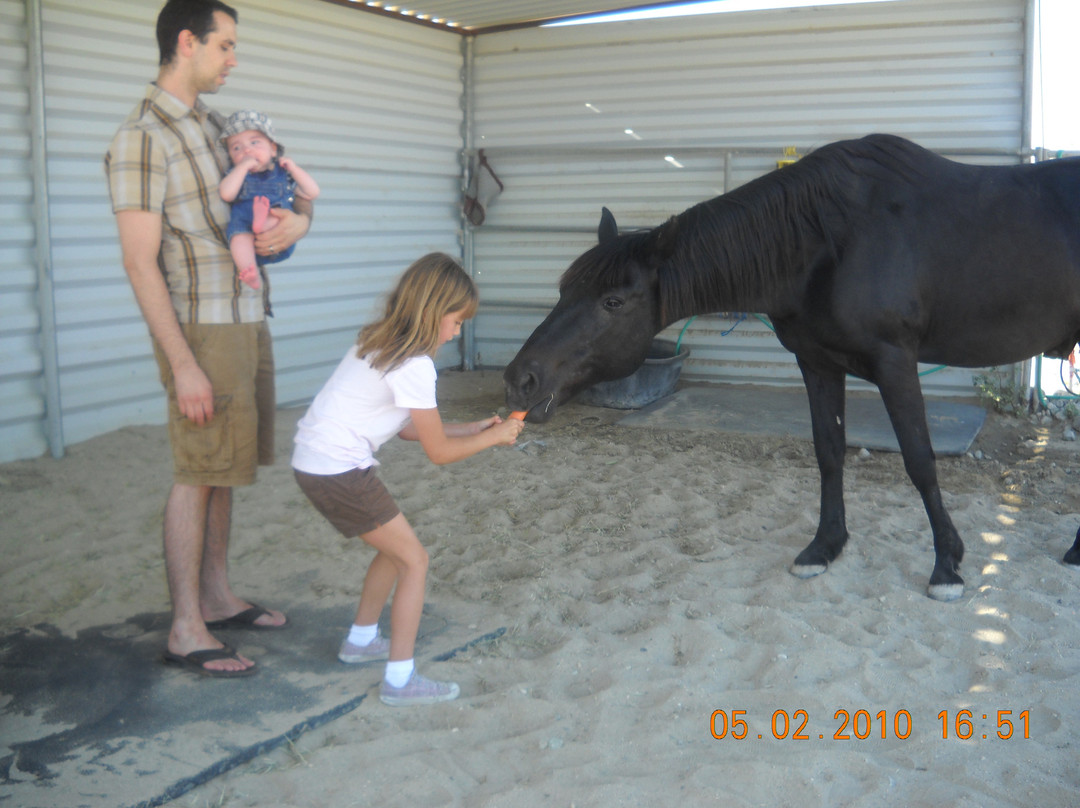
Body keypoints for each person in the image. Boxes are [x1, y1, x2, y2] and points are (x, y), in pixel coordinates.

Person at [104, 0, 312, 677]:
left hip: (245, 315)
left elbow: (286, 195)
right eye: (224, 45)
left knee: (225, 467)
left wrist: (296, 226)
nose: (233, 59)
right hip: (200, 327)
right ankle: (187, 629)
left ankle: (218, 598)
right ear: (186, 43)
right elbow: (139, 261)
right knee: (197, 470)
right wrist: (183, 363)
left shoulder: (219, 126)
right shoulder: (142, 137)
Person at [291, 253, 525, 706]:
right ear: (433, 311)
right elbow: (438, 453)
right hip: (338, 469)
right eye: (456, 321)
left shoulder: (378, 341)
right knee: (415, 561)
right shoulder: (416, 363)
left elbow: (407, 429)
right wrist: (494, 439)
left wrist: (475, 428)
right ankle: (400, 680)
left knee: (394, 552)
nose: (458, 332)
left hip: (318, 462)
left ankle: (361, 641)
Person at [218, 110, 320, 290]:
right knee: (237, 239)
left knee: (274, 216)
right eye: (236, 148)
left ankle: (262, 222)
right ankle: (250, 273)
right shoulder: (236, 175)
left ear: (273, 149)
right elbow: (226, 194)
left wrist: (295, 169)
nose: (246, 150)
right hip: (249, 236)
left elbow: (312, 192)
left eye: (254, 142)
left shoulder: (283, 172)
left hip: (278, 235)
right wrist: (242, 168)